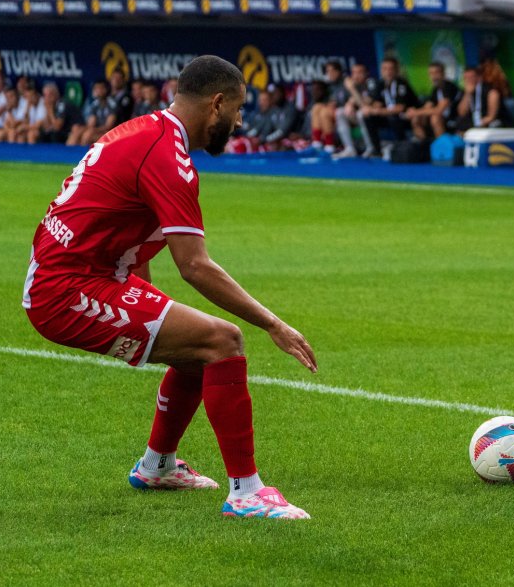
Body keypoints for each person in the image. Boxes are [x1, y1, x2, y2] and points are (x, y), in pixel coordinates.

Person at [22, 55, 316, 519]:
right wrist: (273, 324)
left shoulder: (146, 131)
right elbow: (195, 266)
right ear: (216, 104)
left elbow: (121, 229)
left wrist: (150, 308)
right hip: (65, 289)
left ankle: (157, 466)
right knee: (223, 340)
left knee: (196, 346)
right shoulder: (168, 156)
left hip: (77, 275)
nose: (240, 122)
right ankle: (247, 493)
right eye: (237, 110)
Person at [406, 62, 462, 141]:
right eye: (431, 73)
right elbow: (427, 106)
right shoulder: (435, 89)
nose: (434, 76)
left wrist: (416, 112)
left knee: (435, 118)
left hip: (455, 119)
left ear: (443, 74)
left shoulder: (448, 86)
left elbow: (439, 110)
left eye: (436, 73)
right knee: (416, 119)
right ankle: (423, 145)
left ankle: (442, 147)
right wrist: (413, 112)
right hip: (444, 119)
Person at [455, 65, 512, 132]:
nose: (468, 80)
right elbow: (462, 113)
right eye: (466, 78)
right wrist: (468, 94)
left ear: (479, 78)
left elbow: (491, 117)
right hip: (476, 121)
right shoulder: (465, 92)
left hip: (494, 122)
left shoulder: (490, 91)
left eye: (471, 77)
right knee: (460, 123)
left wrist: (477, 125)